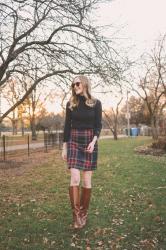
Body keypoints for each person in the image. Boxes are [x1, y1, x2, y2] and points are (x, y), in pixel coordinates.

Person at [62, 75, 102, 229]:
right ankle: (76, 216)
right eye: (73, 85)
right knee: (75, 178)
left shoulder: (96, 104)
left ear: (84, 84)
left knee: (86, 181)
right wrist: (64, 147)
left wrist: (93, 141)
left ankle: (84, 213)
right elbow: (67, 126)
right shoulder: (70, 104)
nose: (75, 86)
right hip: (73, 140)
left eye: (77, 83)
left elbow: (98, 125)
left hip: (89, 142)